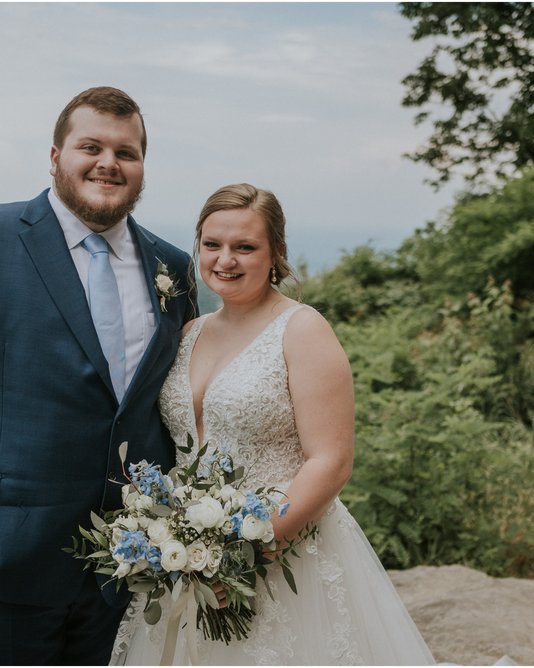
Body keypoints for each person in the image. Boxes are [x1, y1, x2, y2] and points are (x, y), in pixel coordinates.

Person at [0, 86, 197, 665]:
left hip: (125, 561)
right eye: (91, 146)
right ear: (55, 157)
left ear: (142, 167)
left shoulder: (172, 267)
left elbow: (170, 399)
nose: (109, 162)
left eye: (126, 152)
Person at [111, 183, 436, 665]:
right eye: (212, 245)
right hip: (190, 560)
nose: (226, 260)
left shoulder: (303, 329)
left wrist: (245, 554)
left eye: (245, 247)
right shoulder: (189, 332)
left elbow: (331, 459)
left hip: (284, 552)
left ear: (275, 253)